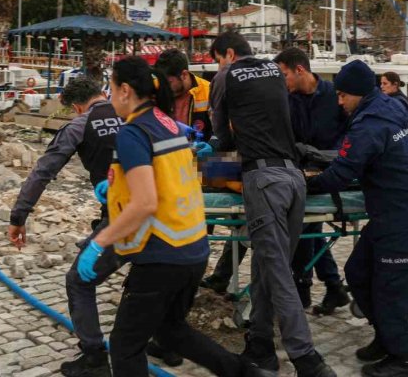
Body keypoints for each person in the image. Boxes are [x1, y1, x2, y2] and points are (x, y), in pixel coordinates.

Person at [75, 56, 266, 377]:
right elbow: (166, 178)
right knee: (170, 331)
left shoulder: (134, 132)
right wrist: (115, 187)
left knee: (124, 346)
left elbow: (145, 203)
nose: (108, 95)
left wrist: (98, 244)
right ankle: (245, 373)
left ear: (125, 90)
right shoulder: (166, 123)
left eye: (110, 86)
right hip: (192, 250)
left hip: (162, 255)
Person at [208, 31, 335, 377]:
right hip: (295, 181)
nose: (216, 65)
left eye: (216, 58)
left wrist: (208, 151)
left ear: (228, 54)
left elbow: (222, 135)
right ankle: (260, 345)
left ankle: (305, 356)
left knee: (277, 271)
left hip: (263, 182)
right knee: (266, 267)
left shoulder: (225, 76)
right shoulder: (274, 73)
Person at [307, 60, 408, 377]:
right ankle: (384, 337)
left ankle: (403, 360)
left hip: (403, 218)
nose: (339, 102)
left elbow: (341, 174)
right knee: (358, 271)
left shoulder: (370, 124)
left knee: (390, 293)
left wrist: (303, 183)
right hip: (388, 215)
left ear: (357, 93)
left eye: (342, 95)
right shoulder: (390, 106)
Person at [8, 77, 132, 377]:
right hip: (162, 211)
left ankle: (94, 358)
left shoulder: (79, 126)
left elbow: (44, 171)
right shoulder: (133, 113)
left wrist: (18, 216)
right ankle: (167, 341)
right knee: (147, 277)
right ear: (103, 93)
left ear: (77, 106)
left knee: (79, 281)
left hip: (121, 217)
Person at [277, 47, 350, 315]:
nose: (282, 81)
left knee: (305, 229)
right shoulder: (288, 98)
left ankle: (303, 289)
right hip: (301, 171)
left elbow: (349, 135)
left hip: (330, 171)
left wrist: (332, 161)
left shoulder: (335, 96)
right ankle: (333, 287)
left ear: (300, 70)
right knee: (309, 227)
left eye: (284, 74)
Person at [154, 48, 212, 140]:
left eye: (168, 83)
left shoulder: (208, 91)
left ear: (184, 75)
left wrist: (211, 147)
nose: (164, 87)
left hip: (198, 151)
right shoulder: (154, 89)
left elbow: (221, 130)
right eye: (161, 82)